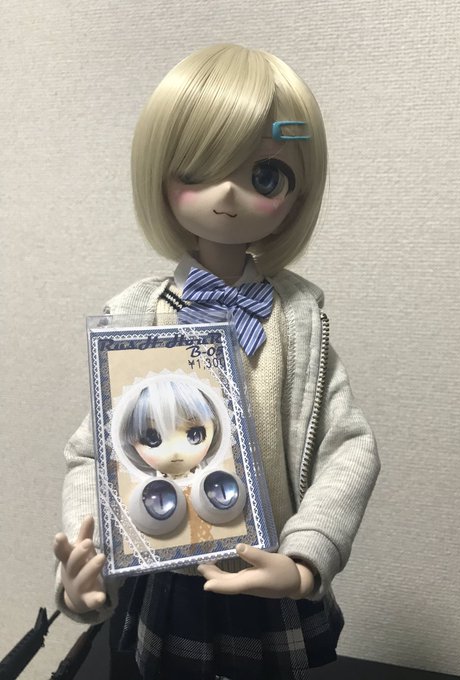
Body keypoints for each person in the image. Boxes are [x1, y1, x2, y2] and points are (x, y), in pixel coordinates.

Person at [54, 43, 380, 680]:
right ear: (159, 176)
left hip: (268, 570)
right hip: (167, 575)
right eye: (198, 170)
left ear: (298, 190)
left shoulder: (297, 320)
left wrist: (307, 555)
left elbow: (349, 446)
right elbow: (95, 454)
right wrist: (89, 561)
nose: (227, 193)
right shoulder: (137, 316)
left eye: (266, 175)